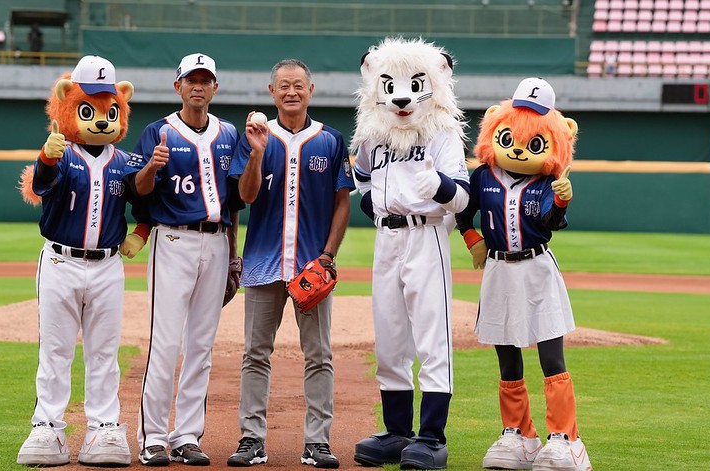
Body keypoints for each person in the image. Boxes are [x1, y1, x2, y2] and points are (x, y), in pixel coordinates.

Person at [455, 77, 592, 471]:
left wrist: (562, 205)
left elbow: (549, 222)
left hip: (536, 268)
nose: (517, 146)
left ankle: (566, 438)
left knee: (551, 356)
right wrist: (472, 238)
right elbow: (464, 213)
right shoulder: (483, 175)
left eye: (533, 141)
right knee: (506, 356)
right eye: (510, 134)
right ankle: (519, 434)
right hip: (498, 269)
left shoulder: (548, 180)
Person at [349, 37, 470, 470]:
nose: (401, 96)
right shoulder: (371, 135)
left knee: (432, 337)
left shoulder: (443, 133)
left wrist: (440, 187)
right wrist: (377, 205)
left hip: (427, 236)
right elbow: (361, 180)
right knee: (390, 338)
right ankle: (397, 431)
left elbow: (462, 199)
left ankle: (431, 436)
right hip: (387, 240)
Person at [227, 58, 354, 468]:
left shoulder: (331, 140)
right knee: (254, 353)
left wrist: (329, 256)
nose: (291, 92)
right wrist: (256, 153)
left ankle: (317, 442)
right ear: (271, 92)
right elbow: (245, 197)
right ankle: (251, 439)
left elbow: (341, 203)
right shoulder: (254, 137)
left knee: (319, 355)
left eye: (298, 85)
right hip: (264, 262)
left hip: (309, 268)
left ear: (311, 90)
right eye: (283, 85)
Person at [16, 55, 139, 467]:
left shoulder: (124, 162)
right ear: (70, 102)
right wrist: (47, 158)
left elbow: (148, 202)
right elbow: (41, 184)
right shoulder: (63, 153)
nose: (101, 120)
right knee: (55, 349)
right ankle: (47, 427)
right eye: (90, 110)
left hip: (107, 266)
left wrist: (140, 234)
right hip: (60, 263)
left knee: (104, 351)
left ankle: (104, 429)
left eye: (109, 110)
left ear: (119, 106)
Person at [124, 52, 244, 467]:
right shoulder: (158, 132)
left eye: (205, 79)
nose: (198, 85)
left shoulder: (229, 133)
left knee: (201, 346)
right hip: (173, 239)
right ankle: (153, 437)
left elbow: (235, 203)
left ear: (215, 87)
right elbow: (136, 193)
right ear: (178, 87)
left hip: (216, 242)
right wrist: (150, 169)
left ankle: (186, 435)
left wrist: (233, 252)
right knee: (165, 342)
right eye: (190, 79)